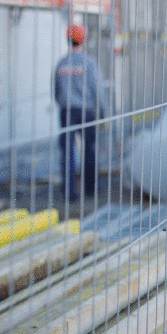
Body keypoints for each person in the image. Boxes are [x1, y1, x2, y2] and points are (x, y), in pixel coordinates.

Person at [54, 24, 109, 201]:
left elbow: (56, 92)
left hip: (67, 112)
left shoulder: (61, 64)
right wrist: (103, 113)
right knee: (90, 150)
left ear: (68, 40)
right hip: (86, 111)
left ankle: (69, 192)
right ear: (83, 40)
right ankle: (90, 190)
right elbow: (98, 90)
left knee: (68, 152)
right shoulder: (89, 63)